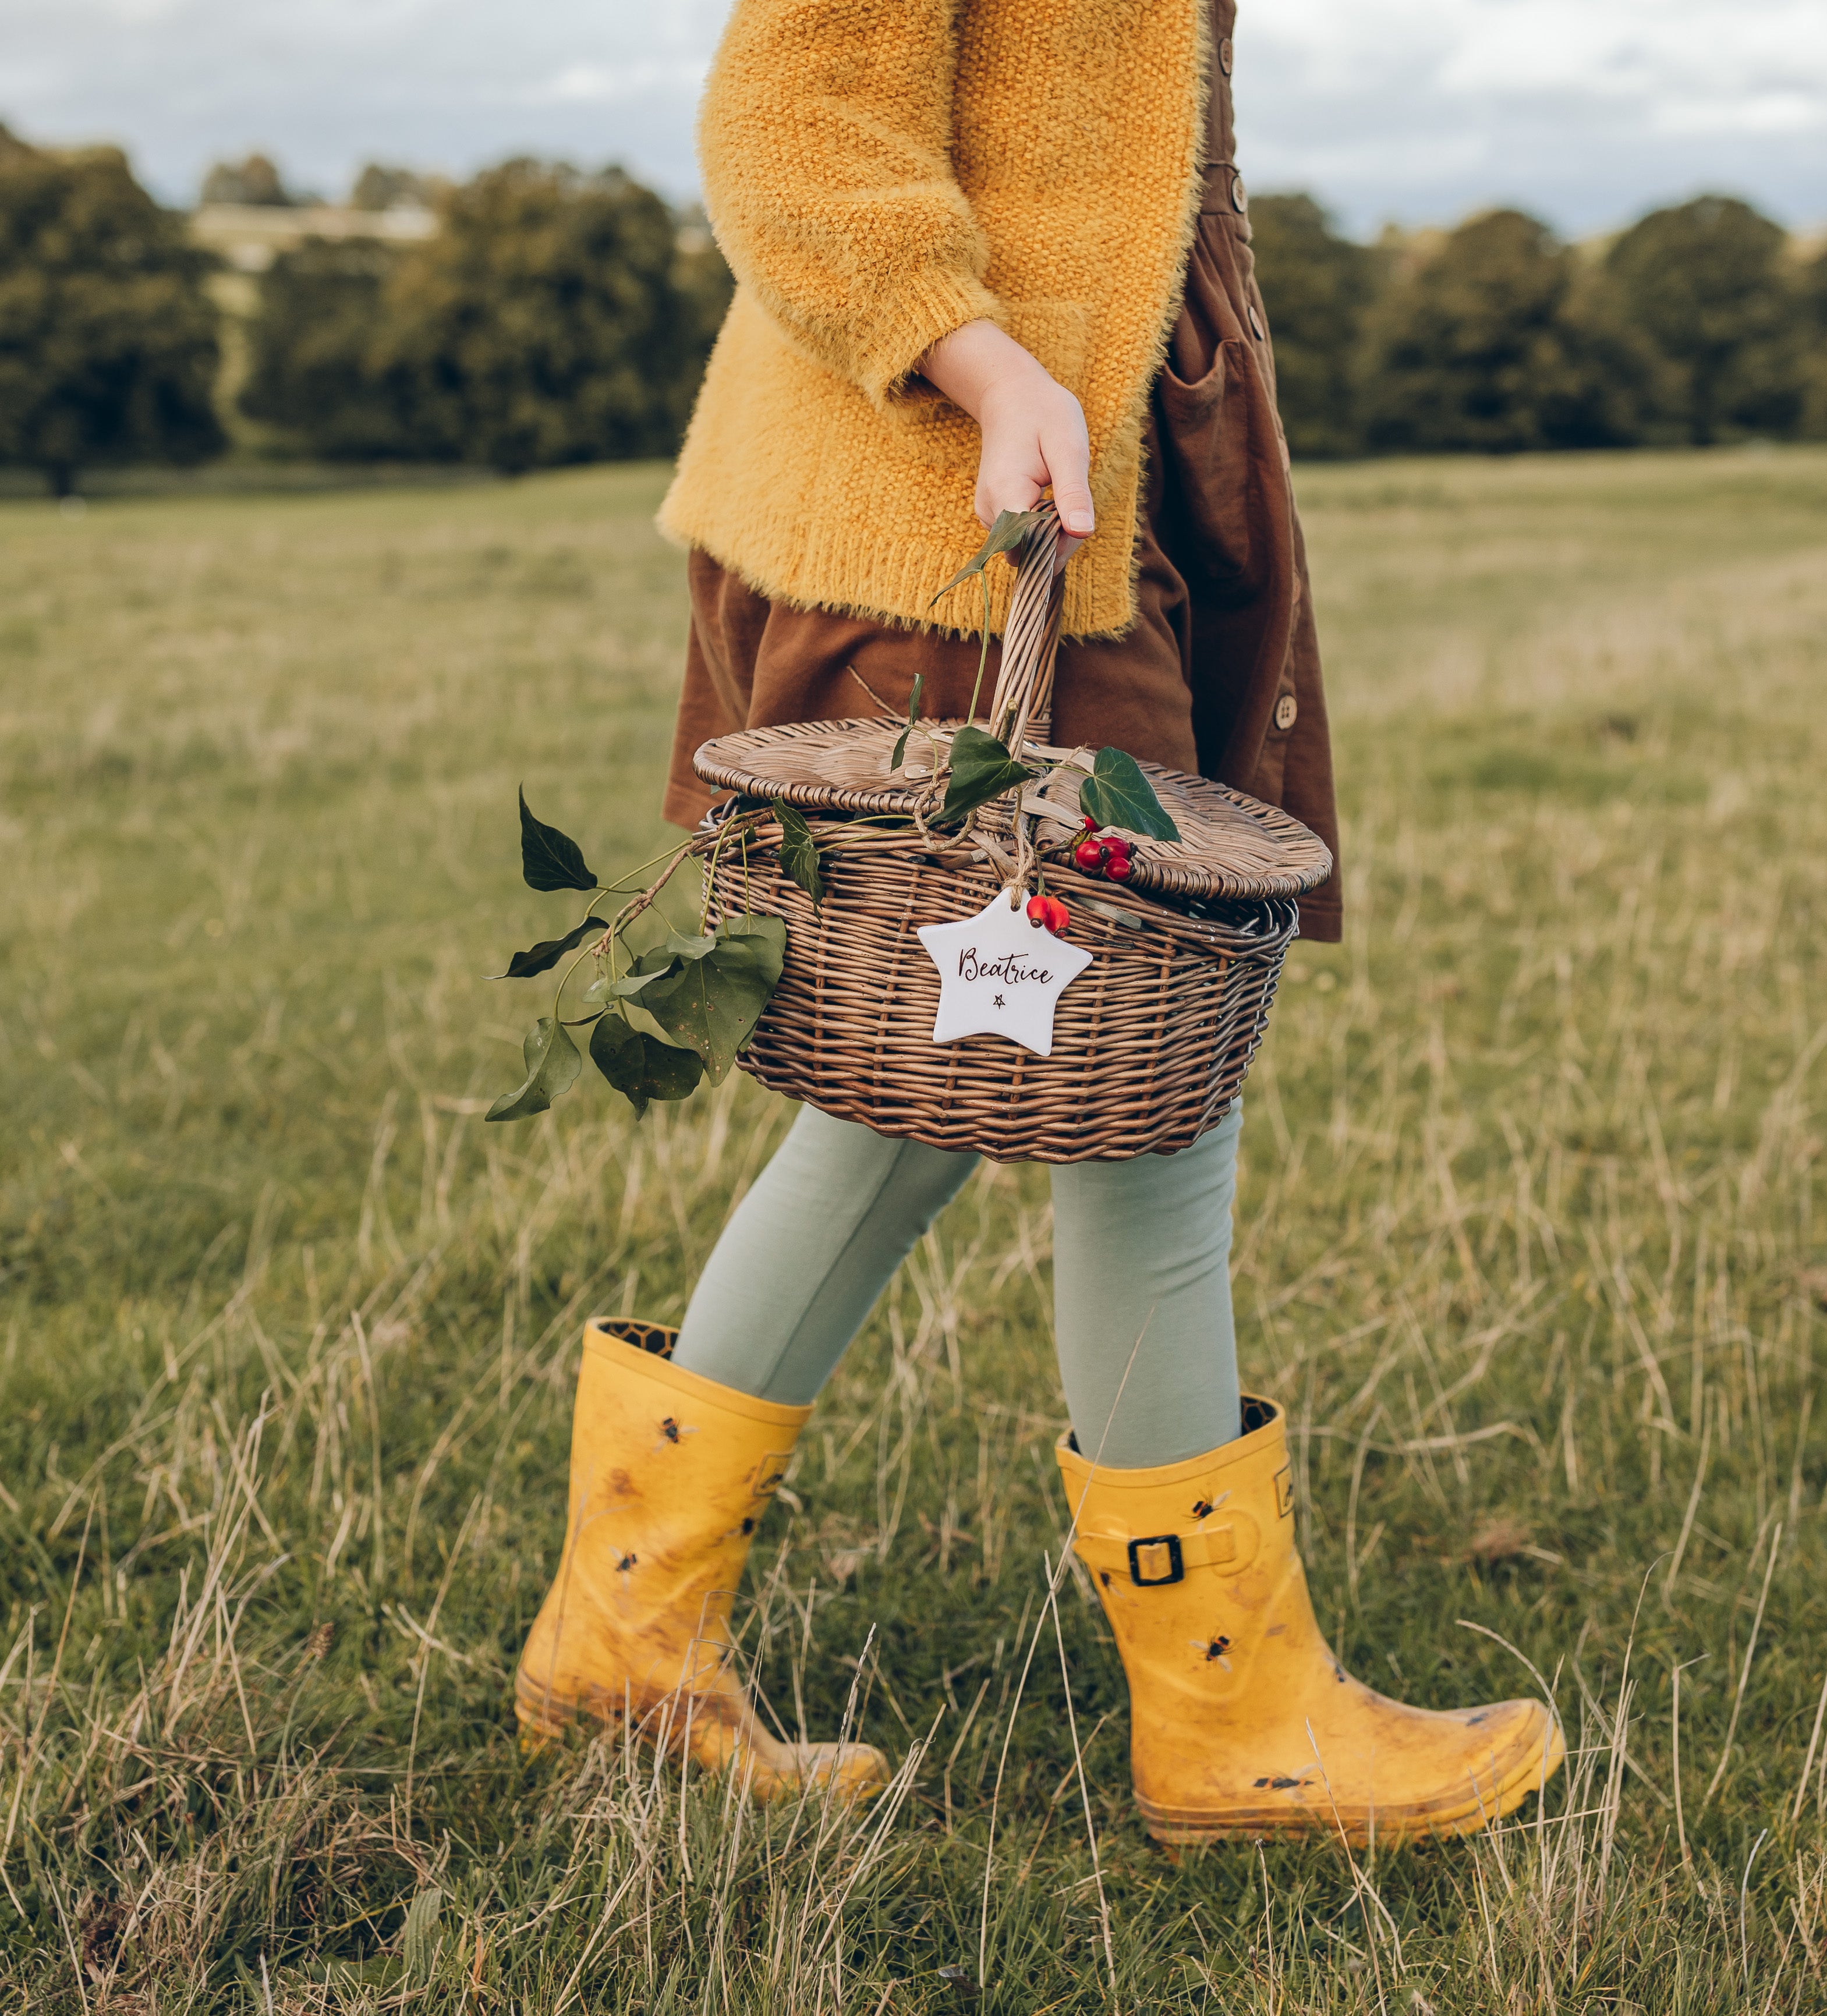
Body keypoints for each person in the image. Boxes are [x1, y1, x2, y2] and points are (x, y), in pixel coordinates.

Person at [514, 0, 1562, 1844]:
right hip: (973, 525)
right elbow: (795, 114)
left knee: (929, 1100)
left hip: (1073, 496)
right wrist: (991, 370)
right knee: (1145, 1094)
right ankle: (1238, 1730)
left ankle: (625, 1649)